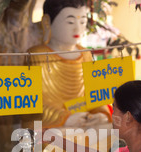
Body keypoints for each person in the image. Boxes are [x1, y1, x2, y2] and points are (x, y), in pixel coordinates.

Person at [23, 0, 111, 129]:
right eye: (70, 22)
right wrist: (65, 118)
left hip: (84, 121)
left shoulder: (85, 54)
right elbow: (29, 103)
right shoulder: (36, 55)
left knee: (107, 129)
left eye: (82, 22)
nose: (78, 28)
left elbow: (95, 95)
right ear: (47, 22)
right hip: (51, 125)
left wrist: (101, 113)